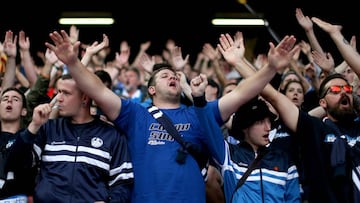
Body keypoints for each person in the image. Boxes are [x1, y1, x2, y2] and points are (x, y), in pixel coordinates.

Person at [44, 30, 298, 203]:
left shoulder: (200, 113)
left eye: (174, 74)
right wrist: (73, 63)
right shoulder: (135, 114)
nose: (173, 76)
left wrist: (271, 68)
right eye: (164, 76)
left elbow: (242, 93)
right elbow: (97, 90)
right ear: (151, 89)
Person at [9, 74, 134, 203]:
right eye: (58, 92)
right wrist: (34, 126)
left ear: (84, 98)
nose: (59, 99)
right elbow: (16, 164)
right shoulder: (48, 129)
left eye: (66, 93)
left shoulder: (111, 135)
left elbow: (123, 183)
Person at [189, 75, 301, 203]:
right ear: (245, 126)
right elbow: (209, 126)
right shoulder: (228, 155)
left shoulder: (283, 160)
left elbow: (294, 199)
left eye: (269, 121)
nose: (268, 127)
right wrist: (199, 98)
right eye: (260, 122)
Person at [0, 87, 36, 202]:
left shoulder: (29, 138)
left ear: (24, 111)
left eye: (15, 99)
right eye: (5, 99)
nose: (9, 101)